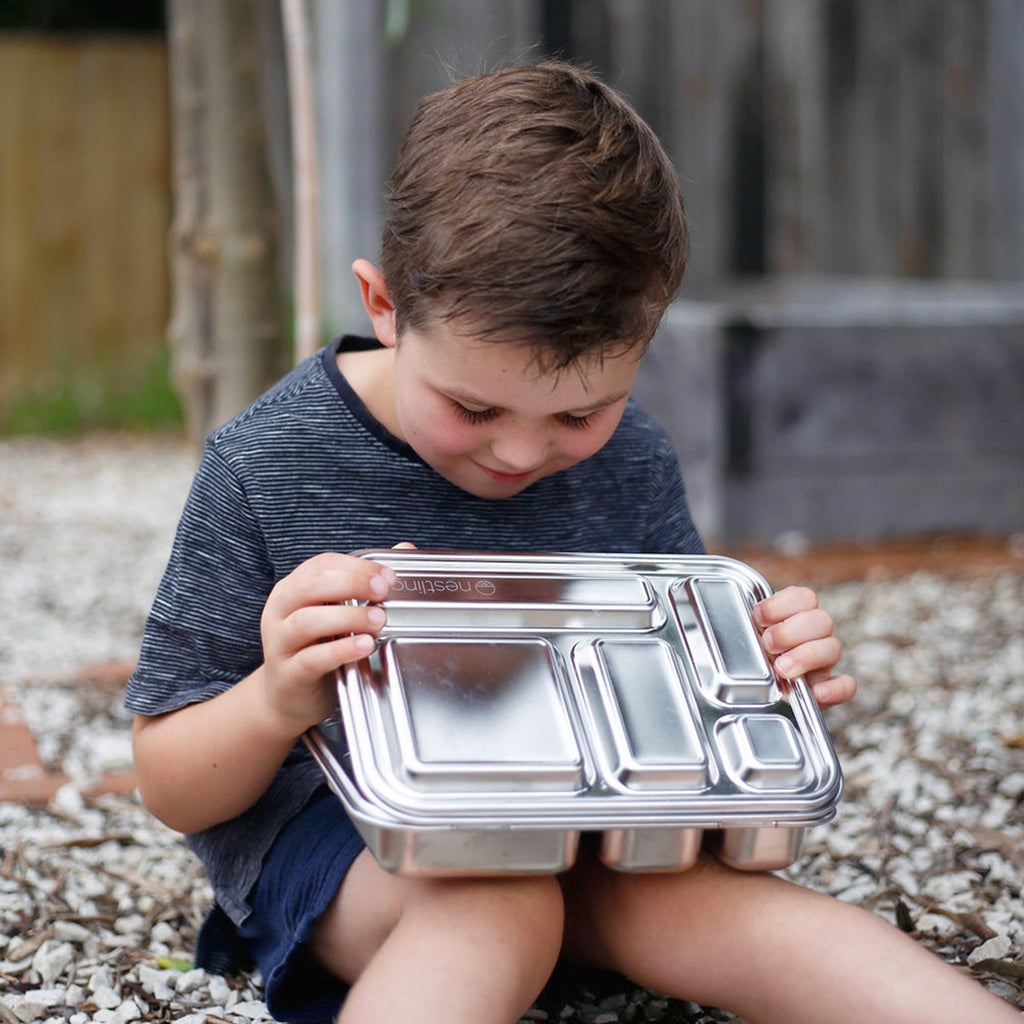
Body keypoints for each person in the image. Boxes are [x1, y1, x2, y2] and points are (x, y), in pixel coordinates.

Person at [127, 61, 1018, 1024]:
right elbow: (171, 785)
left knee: (728, 911)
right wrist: (277, 698)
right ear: (384, 308)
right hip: (356, 849)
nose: (520, 453)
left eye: (579, 414)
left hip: (597, 839)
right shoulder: (266, 464)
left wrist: (767, 681)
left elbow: (694, 743)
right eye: (474, 408)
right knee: (502, 904)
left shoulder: (634, 459)